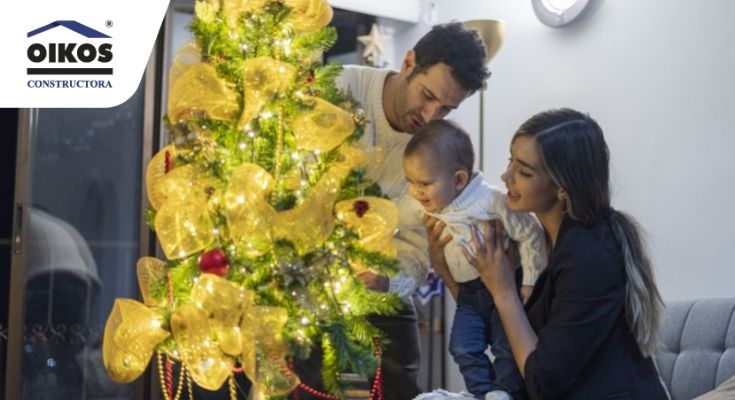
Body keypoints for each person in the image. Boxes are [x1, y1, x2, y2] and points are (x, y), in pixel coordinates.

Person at [293, 22, 490, 400]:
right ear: (409, 62)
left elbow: (417, 248)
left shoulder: (438, 149)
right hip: (304, 270)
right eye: (428, 95)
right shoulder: (338, 90)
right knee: (303, 371)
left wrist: (385, 282)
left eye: (447, 107)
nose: (431, 115)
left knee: (402, 363)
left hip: (375, 276)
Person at [424, 108, 669, 399]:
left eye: (524, 171)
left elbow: (543, 381)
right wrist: (448, 273)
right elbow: (500, 333)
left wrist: (503, 291)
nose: (505, 177)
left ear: (562, 188)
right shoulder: (534, 243)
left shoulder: (589, 256)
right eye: (510, 161)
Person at [402, 120, 546, 400]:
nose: (416, 192)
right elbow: (397, 213)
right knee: (462, 345)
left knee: (506, 346)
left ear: (458, 180)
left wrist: (529, 280)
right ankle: (483, 393)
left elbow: (529, 233)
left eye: (424, 183)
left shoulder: (492, 202)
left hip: (504, 285)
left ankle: (506, 391)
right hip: (468, 293)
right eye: (410, 182)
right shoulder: (431, 205)